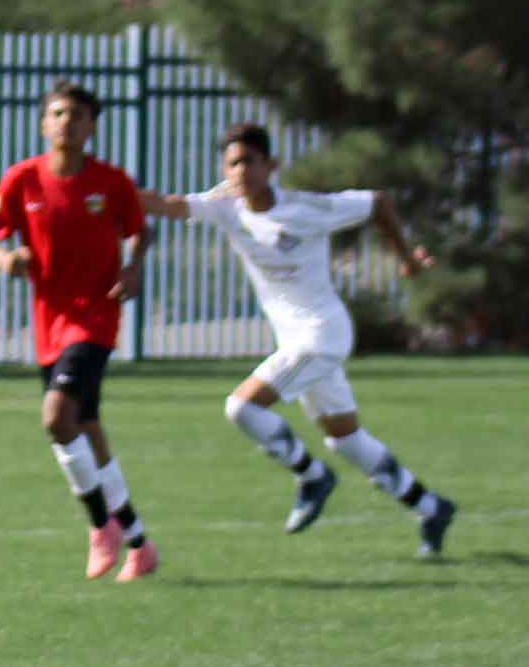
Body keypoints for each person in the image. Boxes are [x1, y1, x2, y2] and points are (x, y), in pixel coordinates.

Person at [144, 124, 456, 555]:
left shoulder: (306, 209)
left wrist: (405, 258)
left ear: (270, 166)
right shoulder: (226, 208)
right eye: (234, 163)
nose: (242, 171)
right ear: (225, 168)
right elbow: (165, 204)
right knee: (345, 438)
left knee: (242, 408)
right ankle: (431, 506)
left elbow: (378, 202)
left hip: (322, 335)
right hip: (295, 342)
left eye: (250, 161)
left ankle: (312, 476)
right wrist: (103, 191)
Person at [0, 79, 159, 581]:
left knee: (57, 418)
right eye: (57, 114)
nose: (66, 123)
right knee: (88, 432)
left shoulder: (111, 182)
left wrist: (132, 267)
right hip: (48, 322)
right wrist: (5, 259)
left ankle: (101, 527)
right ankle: (139, 543)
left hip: (95, 318)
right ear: (43, 122)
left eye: (76, 116)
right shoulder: (22, 180)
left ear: (92, 127)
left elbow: (142, 229)